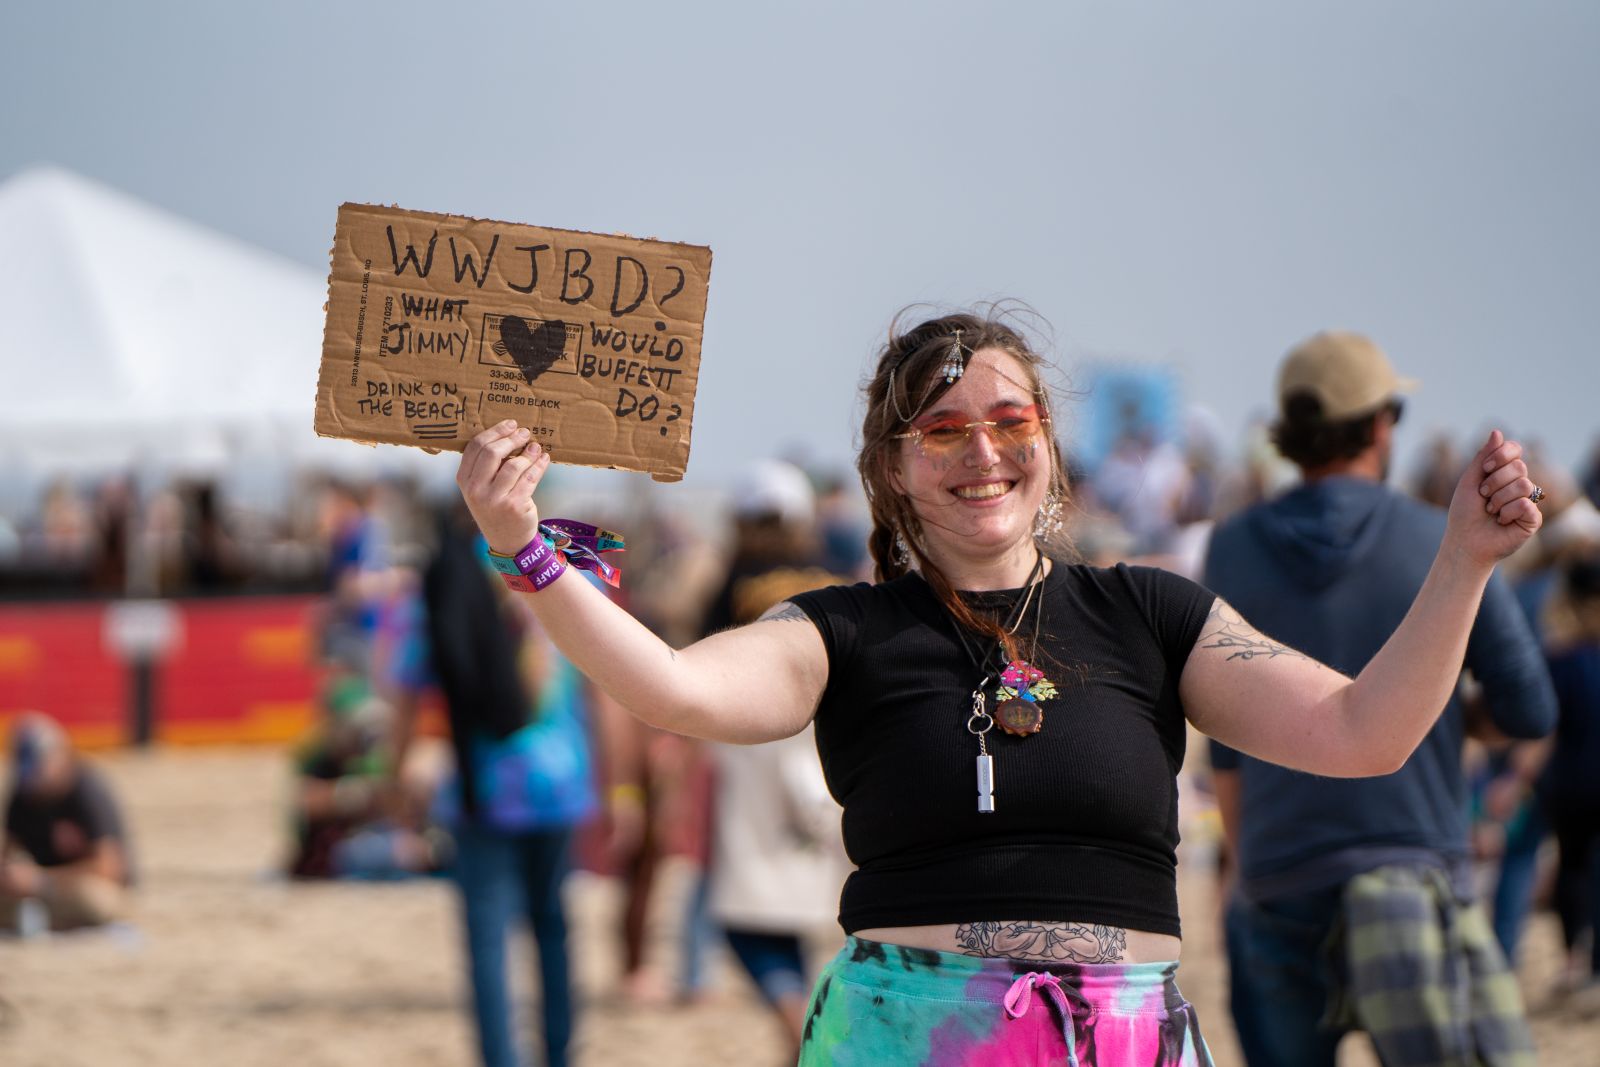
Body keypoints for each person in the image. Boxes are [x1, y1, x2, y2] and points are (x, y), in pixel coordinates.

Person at [455, 308, 1545, 1067]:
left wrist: (1461, 561)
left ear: (1051, 446)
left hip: (1127, 1039)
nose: (980, 450)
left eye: (1009, 421)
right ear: (890, 466)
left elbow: (1364, 730)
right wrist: (525, 547)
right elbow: (676, 689)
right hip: (908, 1035)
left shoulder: (1155, 612)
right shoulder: (845, 631)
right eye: (940, 429)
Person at [1204, 330, 1556, 1067]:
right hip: (1412, 860)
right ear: (1380, 424)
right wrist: (1445, 711)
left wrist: (1245, 871)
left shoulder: (1232, 547)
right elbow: (1531, 708)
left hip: (1281, 863)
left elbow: (1226, 740)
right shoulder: (1437, 539)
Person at [381, 506, 604, 1067]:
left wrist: (394, 780)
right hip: (560, 777)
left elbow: (407, 688)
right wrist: (620, 784)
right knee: (553, 926)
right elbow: (607, 667)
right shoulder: (567, 546)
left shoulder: (445, 567)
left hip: (483, 785)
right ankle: (559, 1055)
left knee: (488, 941)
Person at [1, 712, 134, 934]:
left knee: (94, 900)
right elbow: (8, 850)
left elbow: (110, 867)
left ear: (58, 757)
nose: (35, 783)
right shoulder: (23, 794)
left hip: (79, 886)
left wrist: (41, 881)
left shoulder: (88, 791)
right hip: (38, 892)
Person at [1536, 551, 1600, 1005]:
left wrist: (1514, 784)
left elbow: (1541, 732)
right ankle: (1594, 971)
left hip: (1569, 783)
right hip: (1581, 782)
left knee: (1572, 870)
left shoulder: (1558, 658)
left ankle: (1573, 959)